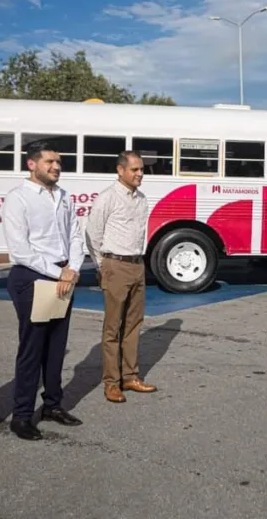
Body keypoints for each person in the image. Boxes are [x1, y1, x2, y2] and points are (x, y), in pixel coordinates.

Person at [1, 141, 84, 440]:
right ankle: (22, 415)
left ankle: (53, 404)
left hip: (63, 275)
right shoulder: (18, 198)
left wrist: (72, 270)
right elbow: (21, 250)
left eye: (59, 162)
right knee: (32, 349)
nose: (56, 167)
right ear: (32, 164)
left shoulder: (63, 196)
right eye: (50, 161)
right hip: (32, 277)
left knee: (56, 347)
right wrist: (59, 272)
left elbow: (75, 235)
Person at [85, 150, 158, 403]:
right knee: (113, 328)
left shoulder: (141, 199)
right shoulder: (107, 198)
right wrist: (101, 265)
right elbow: (92, 234)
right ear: (120, 170)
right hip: (115, 265)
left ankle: (130, 376)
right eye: (135, 169)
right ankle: (111, 383)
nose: (140, 174)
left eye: (141, 169)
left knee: (134, 326)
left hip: (137, 265)